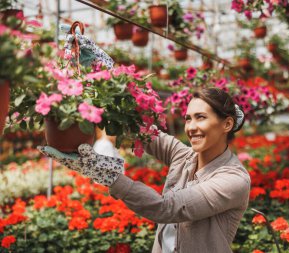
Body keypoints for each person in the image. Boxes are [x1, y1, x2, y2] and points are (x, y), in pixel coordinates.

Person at [38, 87, 251, 253]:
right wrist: (106, 92)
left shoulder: (234, 180)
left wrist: (111, 178)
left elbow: (168, 208)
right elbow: (143, 131)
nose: (191, 127)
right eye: (188, 118)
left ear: (227, 124)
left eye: (200, 117)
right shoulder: (184, 156)